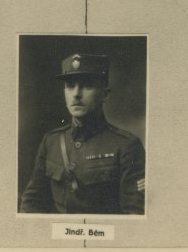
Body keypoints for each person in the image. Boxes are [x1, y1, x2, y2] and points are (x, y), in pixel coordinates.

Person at [18, 51, 146, 215]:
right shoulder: (51, 142)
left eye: (87, 85)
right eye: (70, 86)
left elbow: (134, 216)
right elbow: (32, 202)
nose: (76, 94)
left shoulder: (126, 146)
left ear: (105, 95)